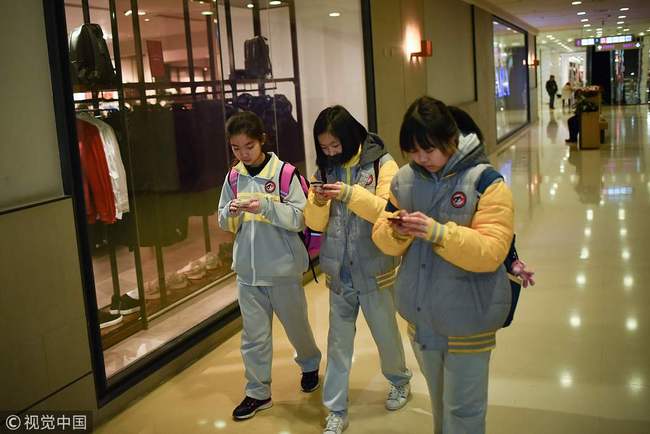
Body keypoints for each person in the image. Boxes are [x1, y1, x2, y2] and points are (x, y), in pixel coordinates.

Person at [372, 96, 515, 434]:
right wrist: (398, 231)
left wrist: (438, 233)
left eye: (430, 149)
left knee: (464, 411)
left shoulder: (486, 182)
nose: (422, 158)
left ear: (451, 139)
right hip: (422, 316)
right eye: (414, 150)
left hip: (469, 316)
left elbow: (492, 250)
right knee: (439, 404)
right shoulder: (404, 180)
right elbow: (381, 230)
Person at [304, 106, 412, 434]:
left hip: (375, 267)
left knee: (385, 333)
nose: (331, 152)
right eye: (324, 148)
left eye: (335, 146)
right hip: (339, 270)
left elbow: (387, 212)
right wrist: (318, 203)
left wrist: (350, 194)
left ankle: (400, 381)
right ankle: (335, 409)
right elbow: (313, 224)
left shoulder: (383, 164)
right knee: (338, 342)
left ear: (351, 138)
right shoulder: (325, 170)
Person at [217, 111, 322, 421]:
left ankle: (309, 364)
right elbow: (223, 219)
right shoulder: (234, 176)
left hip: (283, 269)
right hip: (248, 272)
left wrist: (264, 205)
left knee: (296, 326)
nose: (242, 154)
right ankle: (257, 392)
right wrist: (231, 210)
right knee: (253, 337)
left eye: (248, 146)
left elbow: (300, 218)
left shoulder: (285, 174)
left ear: (262, 140)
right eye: (235, 148)